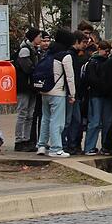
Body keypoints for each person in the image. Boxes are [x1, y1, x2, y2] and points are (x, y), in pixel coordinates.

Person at [37, 29, 76, 157]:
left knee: (45, 119)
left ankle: (41, 145)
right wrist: (72, 94)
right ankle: (56, 148)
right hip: (58, 91)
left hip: (45, 90)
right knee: (57, 121)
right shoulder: (66, 55)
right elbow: (70, 78)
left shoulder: (48, 52)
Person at [83, 41, 112, 156]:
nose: (107, 53)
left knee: (104, 122)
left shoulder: (94, 62)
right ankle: (91, 147)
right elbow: (92, 79)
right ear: (100, 49)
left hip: (100, 94)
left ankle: (97, 146)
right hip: (99, 95)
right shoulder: (93, 62)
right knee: (97, 122)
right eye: (105, 51)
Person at [13, 28, 42, 152]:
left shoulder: (35, 50)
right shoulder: (25, 50)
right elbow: (28, 68)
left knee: (29, 115)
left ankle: (26, 138)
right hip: (24, 86)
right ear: (33, 37)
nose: (40, 39)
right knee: (23, 113)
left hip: (31, 87)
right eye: (39, 36)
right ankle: (19, 140)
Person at [63, 31, 89, 154]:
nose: (85, 45)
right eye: (83, 42)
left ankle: (70, 144)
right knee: (71, 120)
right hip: (72, 93)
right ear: (77, 42)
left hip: (75, 92)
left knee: (74, 120)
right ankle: (68, 144)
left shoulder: (76, 56)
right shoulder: (71, 56)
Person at [27, 31, 50, 147]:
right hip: (34, 87)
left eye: (47, 40)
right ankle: (32, 139)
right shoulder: (33, 51)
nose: (45, 43)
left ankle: (42, 140)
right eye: (43, 40)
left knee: (42, 115)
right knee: (33, 115)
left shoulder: (48, 54)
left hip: (43, 87)